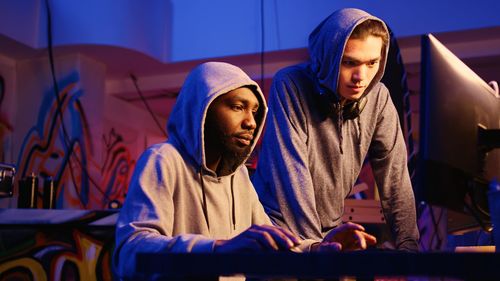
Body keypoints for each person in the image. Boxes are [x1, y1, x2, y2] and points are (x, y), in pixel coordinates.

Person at [113, 62, 377, 280]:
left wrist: (318, 250)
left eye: (255, 111)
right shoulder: (163, 160)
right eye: (237, 107)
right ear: (203, 110)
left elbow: (271, 244)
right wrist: (218, 251)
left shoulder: (238, 177)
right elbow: (130, 253)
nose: (251, 122)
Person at [252, 8, 419, 252]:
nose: (361, 77)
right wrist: (315, 249)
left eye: (372, 63)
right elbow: (292, 176)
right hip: (278, 235)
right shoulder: (290, 84)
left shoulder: (379, 97)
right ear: (327, 57)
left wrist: (410, 249)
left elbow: (396, 178)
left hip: (328, 236)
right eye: (349, 62)